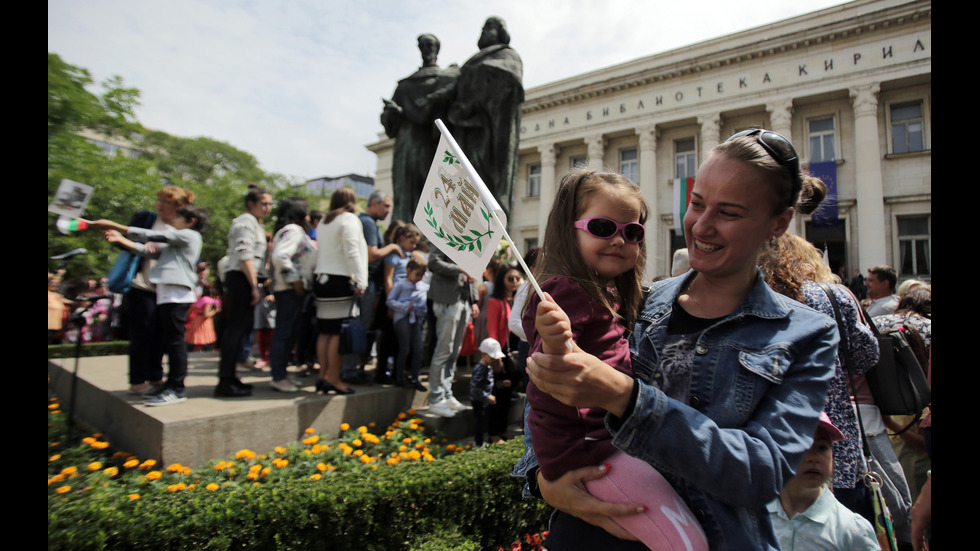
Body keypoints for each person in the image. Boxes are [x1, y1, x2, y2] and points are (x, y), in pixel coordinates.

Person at [519, 129, 840, 550]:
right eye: (697, 204)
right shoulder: (639, 302)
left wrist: (626, 397)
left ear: (777, 223)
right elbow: (546, 396)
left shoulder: (806, 333)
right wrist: (543, 478)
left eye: (729, 212)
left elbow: (762, 472)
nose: (701, 226)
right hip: (588, 535)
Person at [525, 169, 706, 550]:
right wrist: (557, 342)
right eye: (603, 227)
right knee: (687, 544)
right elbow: (549, 371)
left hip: (604, 445)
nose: (620, 240)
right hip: (592, 449)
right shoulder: (563, 290)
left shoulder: (610, 293)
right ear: (568, 230)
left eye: (633, 232)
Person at [758, 232, 881, 517]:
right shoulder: (833, 297)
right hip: (835, 446)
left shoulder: (749, 297)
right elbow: (866, 357)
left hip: (770, 446)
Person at [92, 205, 210, 406]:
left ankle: (177, 388)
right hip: (168, 292)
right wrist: (121, 241)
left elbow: (152, 236)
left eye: (179, 216)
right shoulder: (178, 241)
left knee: (175, 342)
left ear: (191, 221)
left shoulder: (189, 235)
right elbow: (150, 251)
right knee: (168, 340)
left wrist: (117, 227)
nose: (174, 219)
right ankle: (170, 385)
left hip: (176, 293)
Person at [118, 186, 196, 395]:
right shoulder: (147, 219)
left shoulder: (183, 230)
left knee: (162, 335)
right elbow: (129, 243)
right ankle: (137, 380)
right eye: (159, 200)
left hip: (167, 290)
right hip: (142, 284)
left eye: (166, 202)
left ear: (180, 207)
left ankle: (155, 375)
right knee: (142, 332)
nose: (160, 205)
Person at [448, 16, 524, 220]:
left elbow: (506, 82)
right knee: (465, 177)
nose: (484, 31)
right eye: (483, 27)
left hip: (489, 129)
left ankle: (487, 230)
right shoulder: (473, 60)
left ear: (501, 32)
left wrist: (474, 97)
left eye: (490, 27)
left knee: (483, 178)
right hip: (466, 128)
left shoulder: (508, 55)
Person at [767, 412, 880, 550]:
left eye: (822, 447)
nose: (813, 457)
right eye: (803, 447)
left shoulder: (852, 530)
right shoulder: (753, 519)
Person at [381, 33, 460, 223]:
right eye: (423, 45)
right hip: (406, 143)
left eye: (430, 45)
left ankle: (424, 234)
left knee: (429, 188)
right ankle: (402, 231)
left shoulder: (444, 79)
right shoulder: (405, 85)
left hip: (429, 143)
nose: (427, 49)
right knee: (404, 190)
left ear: (437, 49)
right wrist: (392, 112)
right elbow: (388, 123)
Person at [216, 185, 273, 398]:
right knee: (235, 329)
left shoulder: (255, 224)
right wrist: (252, 286)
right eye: (263, 204)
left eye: (269, 204)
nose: (267, 208)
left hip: (247, 279)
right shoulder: (245, 222)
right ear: (251, 204)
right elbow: (244, 256)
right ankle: (225, 380)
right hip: (241, 279)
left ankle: (231, 377)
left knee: (241, 330)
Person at [341, 190, 401, 384]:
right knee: (358, 326)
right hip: (364, 284)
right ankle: (349, 370)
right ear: (374, 204)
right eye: (386, 206)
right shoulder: (367, 222)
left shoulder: (369, 223)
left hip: (367, 284)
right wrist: (392, 247)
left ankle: (353, 368)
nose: (388, 210)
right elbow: (372, 254)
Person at [313, 187, 368, 395]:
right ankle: (334, 378)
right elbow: (352, 250)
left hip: (322, 278)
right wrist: (361, 281)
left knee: (325, 330)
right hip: (339, 278)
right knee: (337, 331)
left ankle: (323, 376)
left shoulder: (325, 221)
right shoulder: (349, 219)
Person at [268, 197, 318, 393]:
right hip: (288, 290)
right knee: (283, 333)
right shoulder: (293, 231)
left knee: (288, 333)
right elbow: (281, 256)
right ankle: (278, 376)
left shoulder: (291, 231)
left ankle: (282, 374)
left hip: (291, 290)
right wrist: (294, 279)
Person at [425, 246, 480, 418]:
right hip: (446, 300)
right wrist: (461, 269)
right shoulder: (443, 237)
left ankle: (446, 394)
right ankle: (435, 398)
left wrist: (474, 300)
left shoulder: (470, 242)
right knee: (444, 350)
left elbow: (473, 273)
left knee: (454, 352)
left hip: (463, 301)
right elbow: (433, 263)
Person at [486, 264, 522, 443]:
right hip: (502, 354)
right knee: (498, 395)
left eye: (517, 278)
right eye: (510, 278)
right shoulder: (495, 302)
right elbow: (492, 332)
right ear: (502, 280)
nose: (514, 282)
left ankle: (502, 429)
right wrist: (496, 357)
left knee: (508, 396)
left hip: (515, 354)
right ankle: (493, 432)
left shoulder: (518, 300)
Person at [385, 257, 428, 390]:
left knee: (418, 348)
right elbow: (390, 301)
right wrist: (404, 307)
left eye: (421, 275)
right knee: (404, 348)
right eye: (417, 274)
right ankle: (399, 377)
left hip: (415, 319)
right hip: (402, 318)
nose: (419, 278)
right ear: (409, 270)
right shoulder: (400, 285)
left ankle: (415, 377)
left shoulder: (423, 287)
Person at [470, 337, 505, 448]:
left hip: (485, 400)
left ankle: (481, 442)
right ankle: (478, 443)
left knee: (484, 422)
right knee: (480, 423)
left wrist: (501, 384)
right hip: (479, 401)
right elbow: (475, 388)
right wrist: (487, 396)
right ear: (484, 354)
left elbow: (489, 382)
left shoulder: (488, 366)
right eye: (492, 357)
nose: (494, 360)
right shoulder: (480, 369)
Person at [185, 282, 220, 352]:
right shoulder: (208, 301)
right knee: (201, 342)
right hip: (202, 324)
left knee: (197, 341)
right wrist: (215, 311)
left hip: (195, 321)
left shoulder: (200, 299)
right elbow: (206, 314)